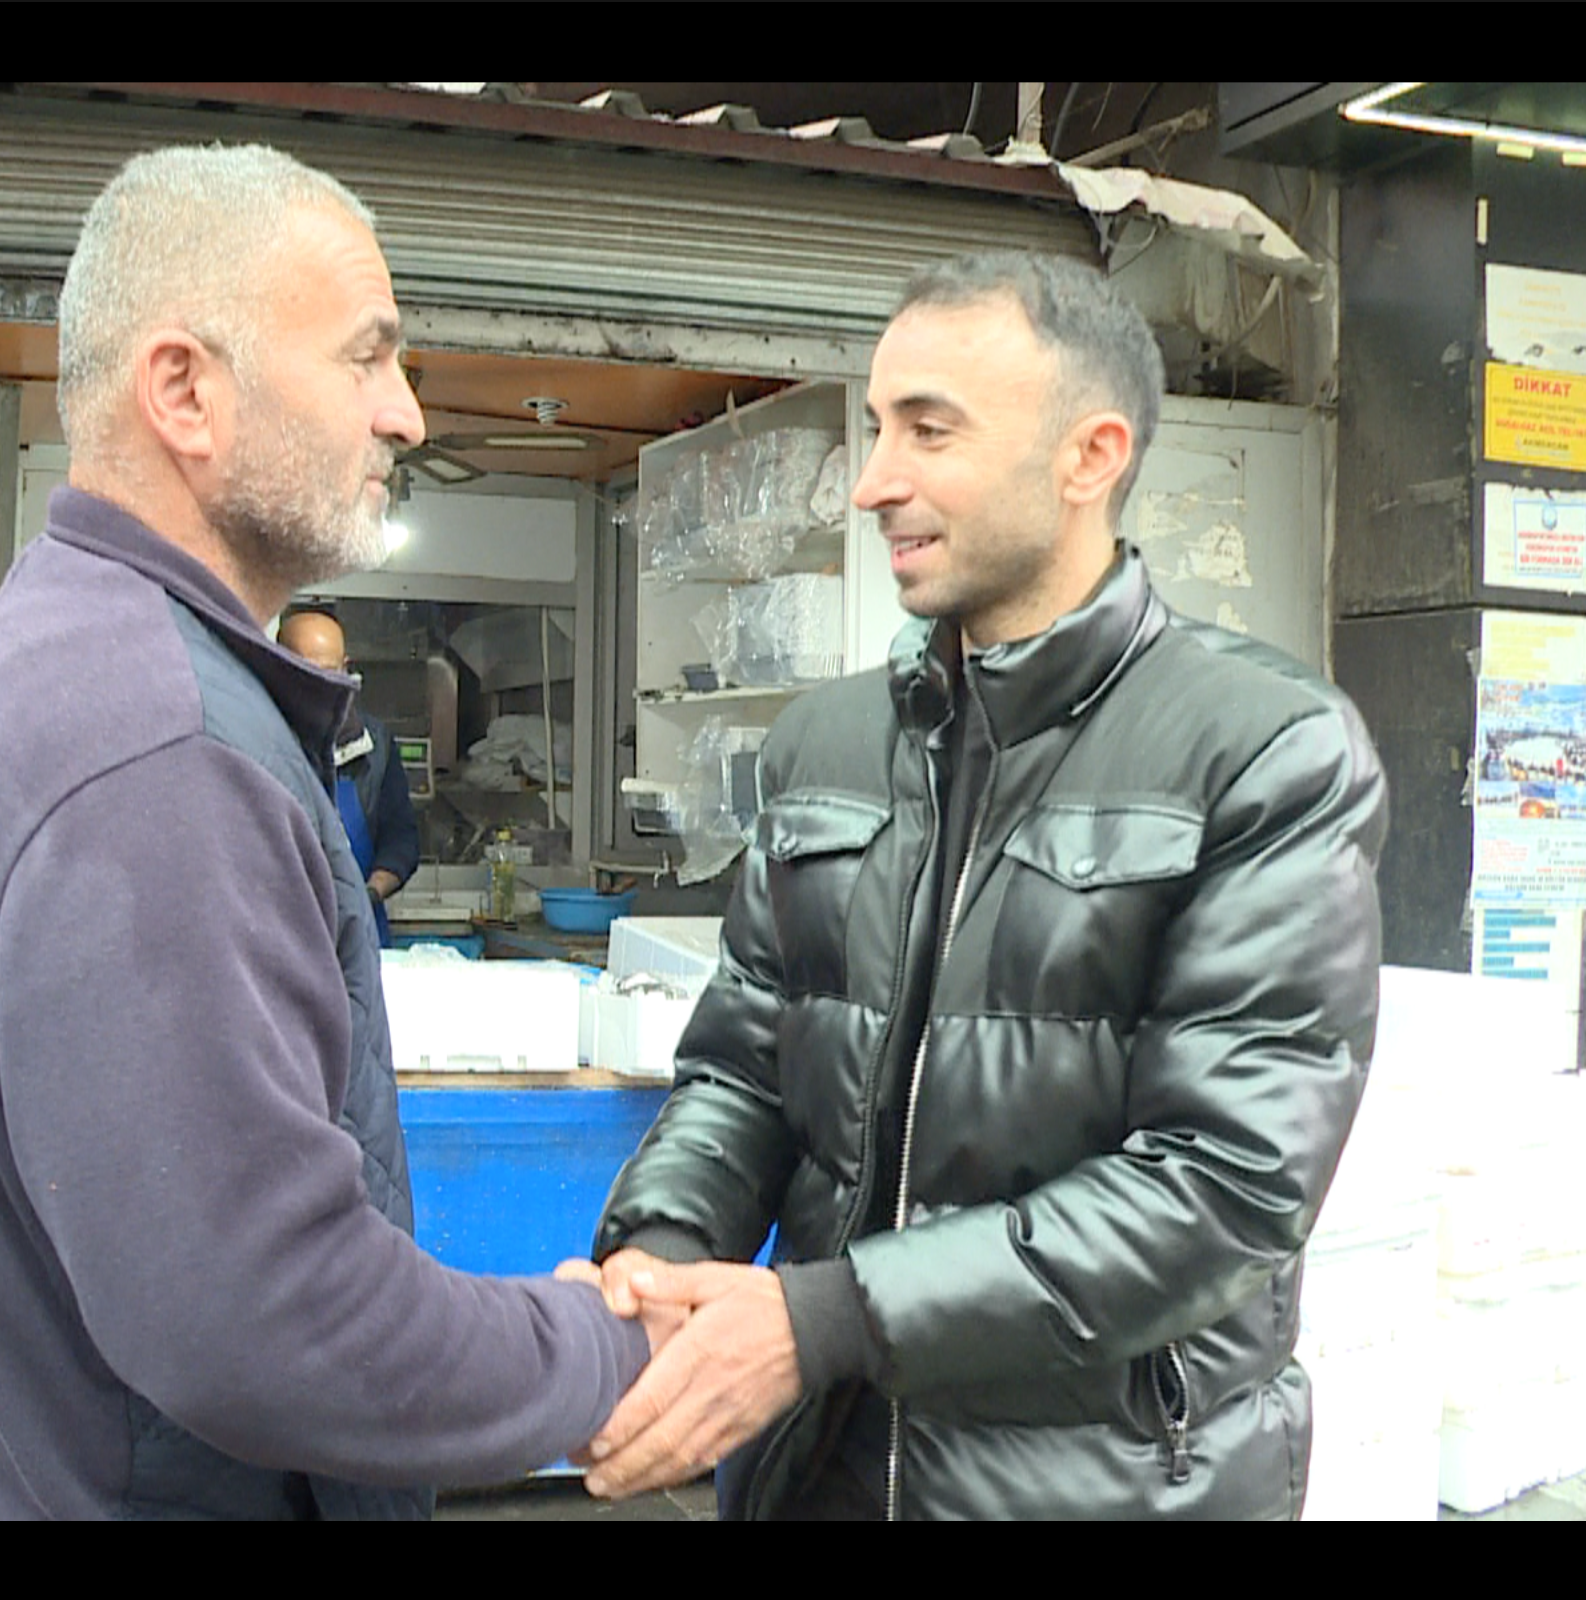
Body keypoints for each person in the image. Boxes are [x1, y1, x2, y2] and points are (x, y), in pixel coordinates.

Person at [0, 144, 650, 1521]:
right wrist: (618, 1355)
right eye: (369, 357)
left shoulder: (72, 651)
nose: (406, 414)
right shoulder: (155, 743)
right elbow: (270, 1315)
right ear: (186, 391)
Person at [564, 249, 1389, 1520]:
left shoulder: (1261, 748)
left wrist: (821, 1319)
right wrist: (661, 1259)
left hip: (1101, 1485)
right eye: (878, 424)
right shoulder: (823, 745)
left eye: (927, 430)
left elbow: (1224, 1185)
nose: (873, 480)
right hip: (820, 1469)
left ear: (1088, 455)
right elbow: (741, 1071)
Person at [278, 609, 420, 944]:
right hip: (282, 934)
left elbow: (401, 838)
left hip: (361, 934)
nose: (319, 685)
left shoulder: (374, 744)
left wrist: (367, 894)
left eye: (329, 672)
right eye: (304, 671)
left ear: (346, 667)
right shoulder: (260, 736)